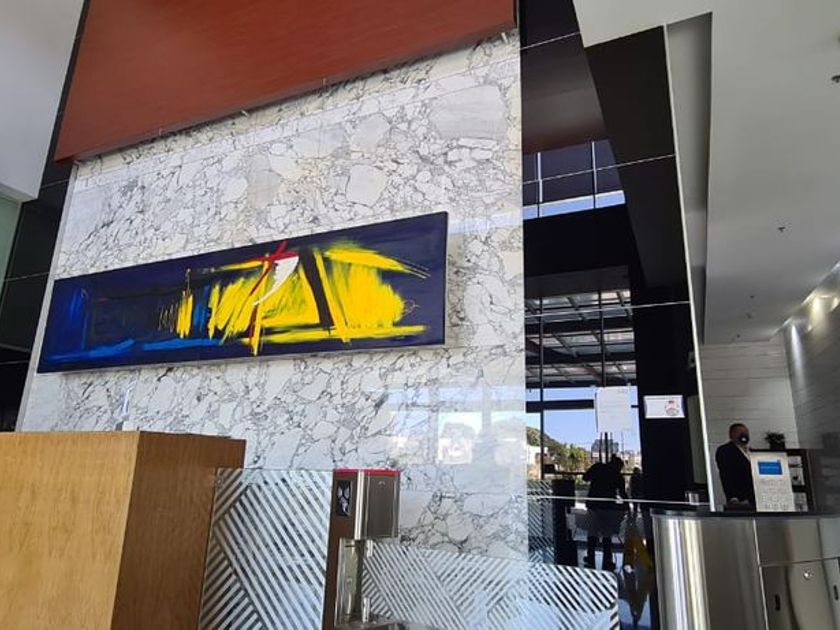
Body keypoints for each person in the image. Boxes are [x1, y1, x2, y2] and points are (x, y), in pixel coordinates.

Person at [583, 455, 627, 571]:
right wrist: (627, 505)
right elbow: (622, 493)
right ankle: (607, 559)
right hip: (608, 506)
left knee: (592, 531)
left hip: (594, 504)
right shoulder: (618, 475)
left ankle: (590, 556)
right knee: (607, 533)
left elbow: (585, 478)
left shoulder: (598, 467)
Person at [715, 422, 755, 508]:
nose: (744, 435)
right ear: (731, 435)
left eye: (746, 432)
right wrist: (733, 497)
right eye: (740, 432)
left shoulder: (751, 451)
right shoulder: (725, 450)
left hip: (754, 497)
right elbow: (726, 474)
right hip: (741, 499)